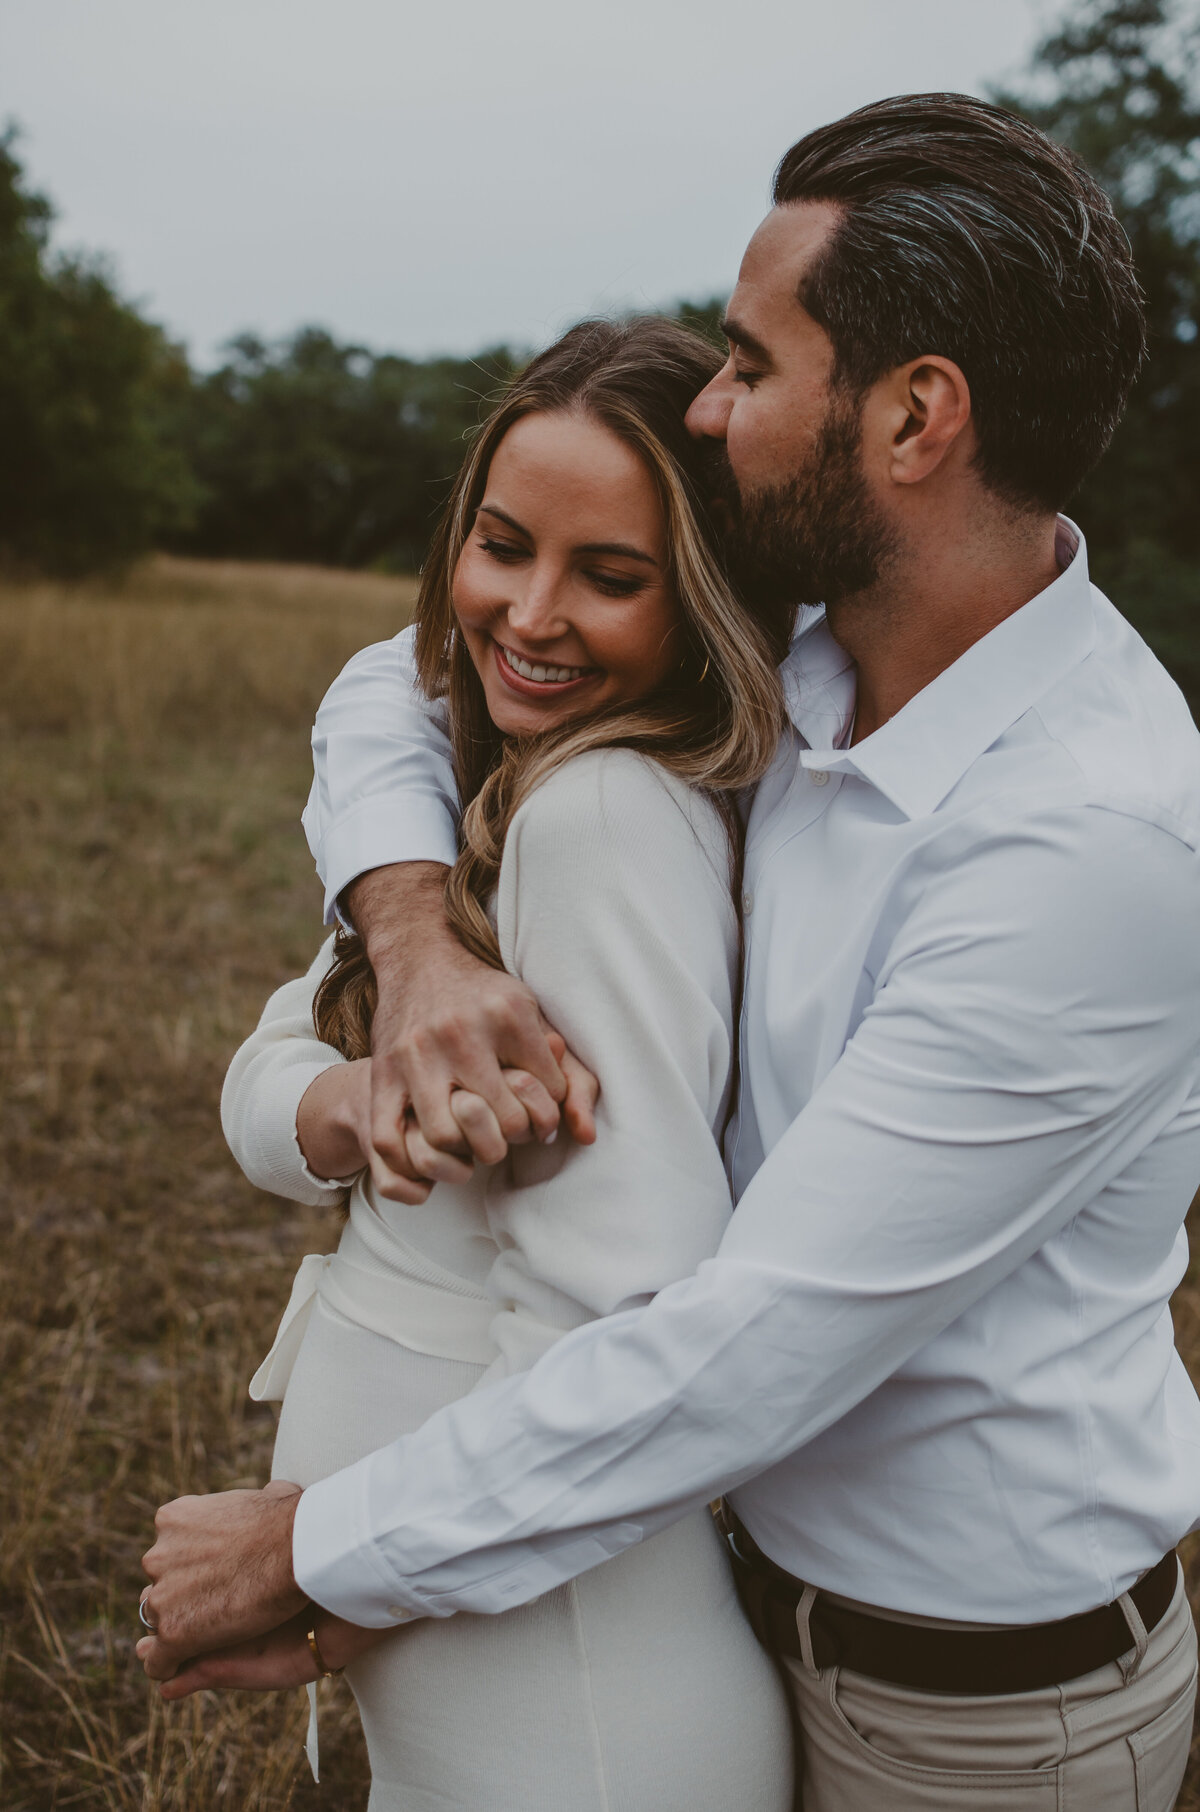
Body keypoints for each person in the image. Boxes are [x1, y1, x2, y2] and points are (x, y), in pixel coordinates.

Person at [140, 93, 1200, 1811]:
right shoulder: (829, 653)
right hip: (734, 1591)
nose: (713, 409)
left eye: (751, 362)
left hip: (979, 1716)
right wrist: (409, 939)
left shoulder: (1090, 844)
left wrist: (329, 1551)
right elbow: (395, 680)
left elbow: (742, 1343)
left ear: (916, 416)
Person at [174, 316, 797, 1810]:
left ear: (701, 598)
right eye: (502, 545)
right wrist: (356, 1096)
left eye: (611, 575)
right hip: (482, 1649)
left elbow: (616, 1312)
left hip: (562, 1687)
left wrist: (336, 1550)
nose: (528, 612)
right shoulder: (491, 779)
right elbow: (264, 1085)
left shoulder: (598, 822)